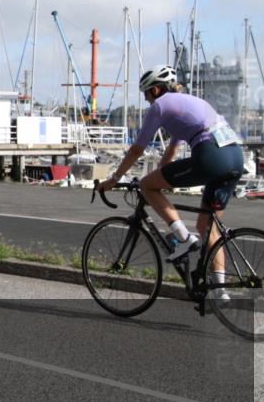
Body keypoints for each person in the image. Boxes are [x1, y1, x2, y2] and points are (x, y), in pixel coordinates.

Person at [97, 65, 243, 278]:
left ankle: (184, 239)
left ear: (155, 90)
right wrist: (160, 176)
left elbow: (137, 148)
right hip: (235, 156)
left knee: (146, 185)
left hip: (211, 155)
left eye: (146, 95)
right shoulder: (190, 102)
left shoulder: (159, 106)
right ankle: (220, 291)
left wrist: (115, 178)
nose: (147, 100)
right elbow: (172, 149)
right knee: (207, 225)